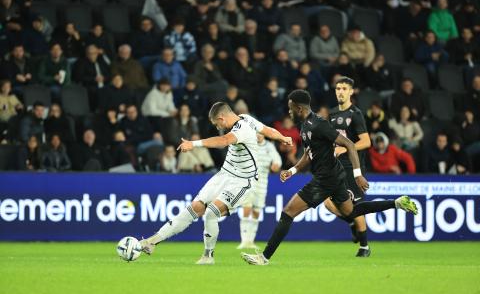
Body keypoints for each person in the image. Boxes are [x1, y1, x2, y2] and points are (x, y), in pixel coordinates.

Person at [241, 90, 417, 265]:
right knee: (352, 212)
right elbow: (309, 155)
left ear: (299, 108)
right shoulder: (305, 126)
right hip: (334, 176)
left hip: (325, 179)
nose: (289, 112)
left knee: (288, 213)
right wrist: (293, 170)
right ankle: (397, 203)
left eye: (290, 108)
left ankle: (264, 258)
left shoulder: (318, 124)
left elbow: (349, 144)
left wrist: (357, 175)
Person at [139, 102, 293, 264]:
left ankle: (208, 256)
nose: (218, 126)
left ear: (221, 118)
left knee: (211, 212)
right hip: (224, 175)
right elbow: (268, 130)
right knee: (195, 207)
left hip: (243, 181)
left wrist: (194, 144)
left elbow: (224, 140)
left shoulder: (243, 128)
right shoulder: (247, 118)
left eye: (217, 123)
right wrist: (283, 137)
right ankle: (152, 241)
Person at [326, 77, 372, 257]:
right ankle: (351, 222)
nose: (340, 92)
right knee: (327, 202)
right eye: (338, 88)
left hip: (353, 168)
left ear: (351, 92)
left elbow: (366, 141)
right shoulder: (332, 114)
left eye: (344, 88)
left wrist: (344, 148)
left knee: (355, 206)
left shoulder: (356, 114)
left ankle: (364, 246)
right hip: (336, 167)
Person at [238, 133, 282, 249]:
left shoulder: (269, 146)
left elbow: (277, 160)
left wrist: (276, 165)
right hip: (248, 182)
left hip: (262, 183)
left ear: (264, 134)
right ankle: (244, 240)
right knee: (246, 209)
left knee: (256, 211)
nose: (258, 136)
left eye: (260, 133)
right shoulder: (248, 145)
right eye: (255, 133)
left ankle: (251, 241)